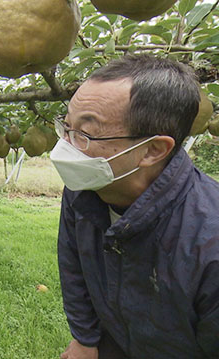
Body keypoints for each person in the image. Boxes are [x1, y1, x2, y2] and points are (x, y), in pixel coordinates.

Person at [50, 55, 219, 359]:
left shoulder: (209, 239)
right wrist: (85, 339)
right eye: (66, 126)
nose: (66, 146)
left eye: (85, 134)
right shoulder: (84, 189)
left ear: (153, 150)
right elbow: (73, 263)